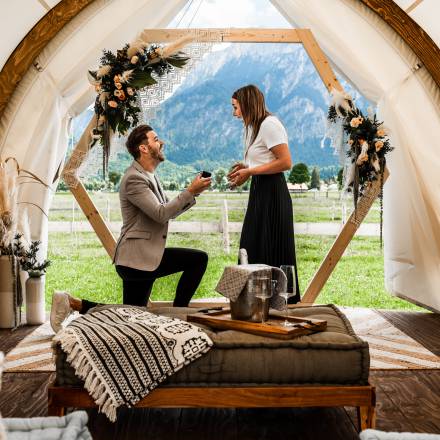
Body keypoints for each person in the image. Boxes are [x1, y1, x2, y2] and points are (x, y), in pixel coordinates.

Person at [50, 124, 211, 332]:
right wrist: (189, 191)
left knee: (131, 317)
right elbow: (161, 213)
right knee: (198, 260)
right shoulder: (134, 179)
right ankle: (179, 316)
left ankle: (72, 303)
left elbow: (165, 212)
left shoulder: (149, 175)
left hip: (143, 257)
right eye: (156, 139)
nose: (161, 143)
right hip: (136, 259)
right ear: (144, 148)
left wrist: (193, 193)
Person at [228, 84, 300, 302]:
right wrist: (246, 168)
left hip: (273, 193)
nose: (234, 113)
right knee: (254, 244)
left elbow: (286, 162)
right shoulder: (254, 127)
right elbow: (263, 161)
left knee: (270, 245)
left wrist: (251, 170)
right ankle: (254, 301)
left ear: (248, 104)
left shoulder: (270, 124)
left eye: (236, 107)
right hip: (260, 191)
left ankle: (278, 302)